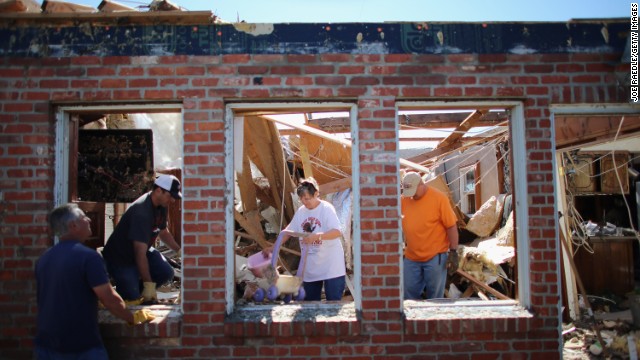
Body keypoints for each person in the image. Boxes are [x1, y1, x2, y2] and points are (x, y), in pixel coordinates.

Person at [35, 203, 154, 359]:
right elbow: (109, 299)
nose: (89, 220)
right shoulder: (89, 257)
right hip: (81, 347)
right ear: (74, 225)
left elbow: (58, 294)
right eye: (84, 217)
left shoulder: (44, 259)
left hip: (46, 347)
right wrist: (133, 317)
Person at [102, 174, 182, 303]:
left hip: (142, 251)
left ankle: (137, 292)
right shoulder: (141, 212)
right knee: (130, 297)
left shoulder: (162, 205)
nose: (172, 200)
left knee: (166, 272)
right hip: (121, 258)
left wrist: (179, 250)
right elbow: (139, 253)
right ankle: (127, 294)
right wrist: (148, 285)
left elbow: (163, 232)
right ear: (158, 190)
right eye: (170, 196)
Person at [268, 177, 346, 301]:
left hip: (331, 265)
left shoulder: (326, 209)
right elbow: (288, 232)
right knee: (310, 304)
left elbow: (337, 232)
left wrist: (317, 236)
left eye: (307, 199)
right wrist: (273, 248)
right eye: (302, 200)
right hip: (311, 266)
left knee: (333, 303)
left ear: (316, 194)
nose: (305, 202)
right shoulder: (301, 212)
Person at [400, 171, 459, 300]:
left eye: (414, 191)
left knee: (435, 298)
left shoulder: (439, 199)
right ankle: (412, 319)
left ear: (422, 184)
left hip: (435, 257)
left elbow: (451, 226)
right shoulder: (404, 200)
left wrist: (453, 251)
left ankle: (434, 319)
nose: (412, 196)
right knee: (408, 297)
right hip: (412, 257)